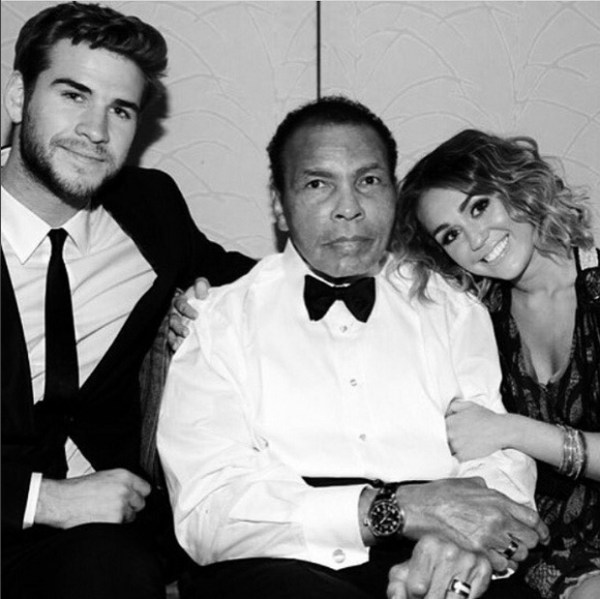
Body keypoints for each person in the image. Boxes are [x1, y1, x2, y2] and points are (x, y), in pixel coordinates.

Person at [157, 96, 550, 599]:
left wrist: (465, 544)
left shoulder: (454, 307)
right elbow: (207, 512)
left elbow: (500, 452)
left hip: (441, 547)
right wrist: (397, 511)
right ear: (278, 204)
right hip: (281, 561)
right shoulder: (217, 320)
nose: (349, 208)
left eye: (368, 181)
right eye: (318, 184)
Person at [0, 3, 255, 598]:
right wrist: (43, 500)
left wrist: (420, 268)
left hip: (104, 545)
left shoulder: (150, 209)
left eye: (120, 109)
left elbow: (259, 286)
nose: (96, 130)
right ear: (18, 97)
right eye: (74, 95)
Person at [393, 129, 599, 599]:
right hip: (526, 541)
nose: (476, 239)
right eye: (451, 235)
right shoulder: (475, 318)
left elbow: (492, 431)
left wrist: (510, 430)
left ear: (517, 187)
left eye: (479, 207)